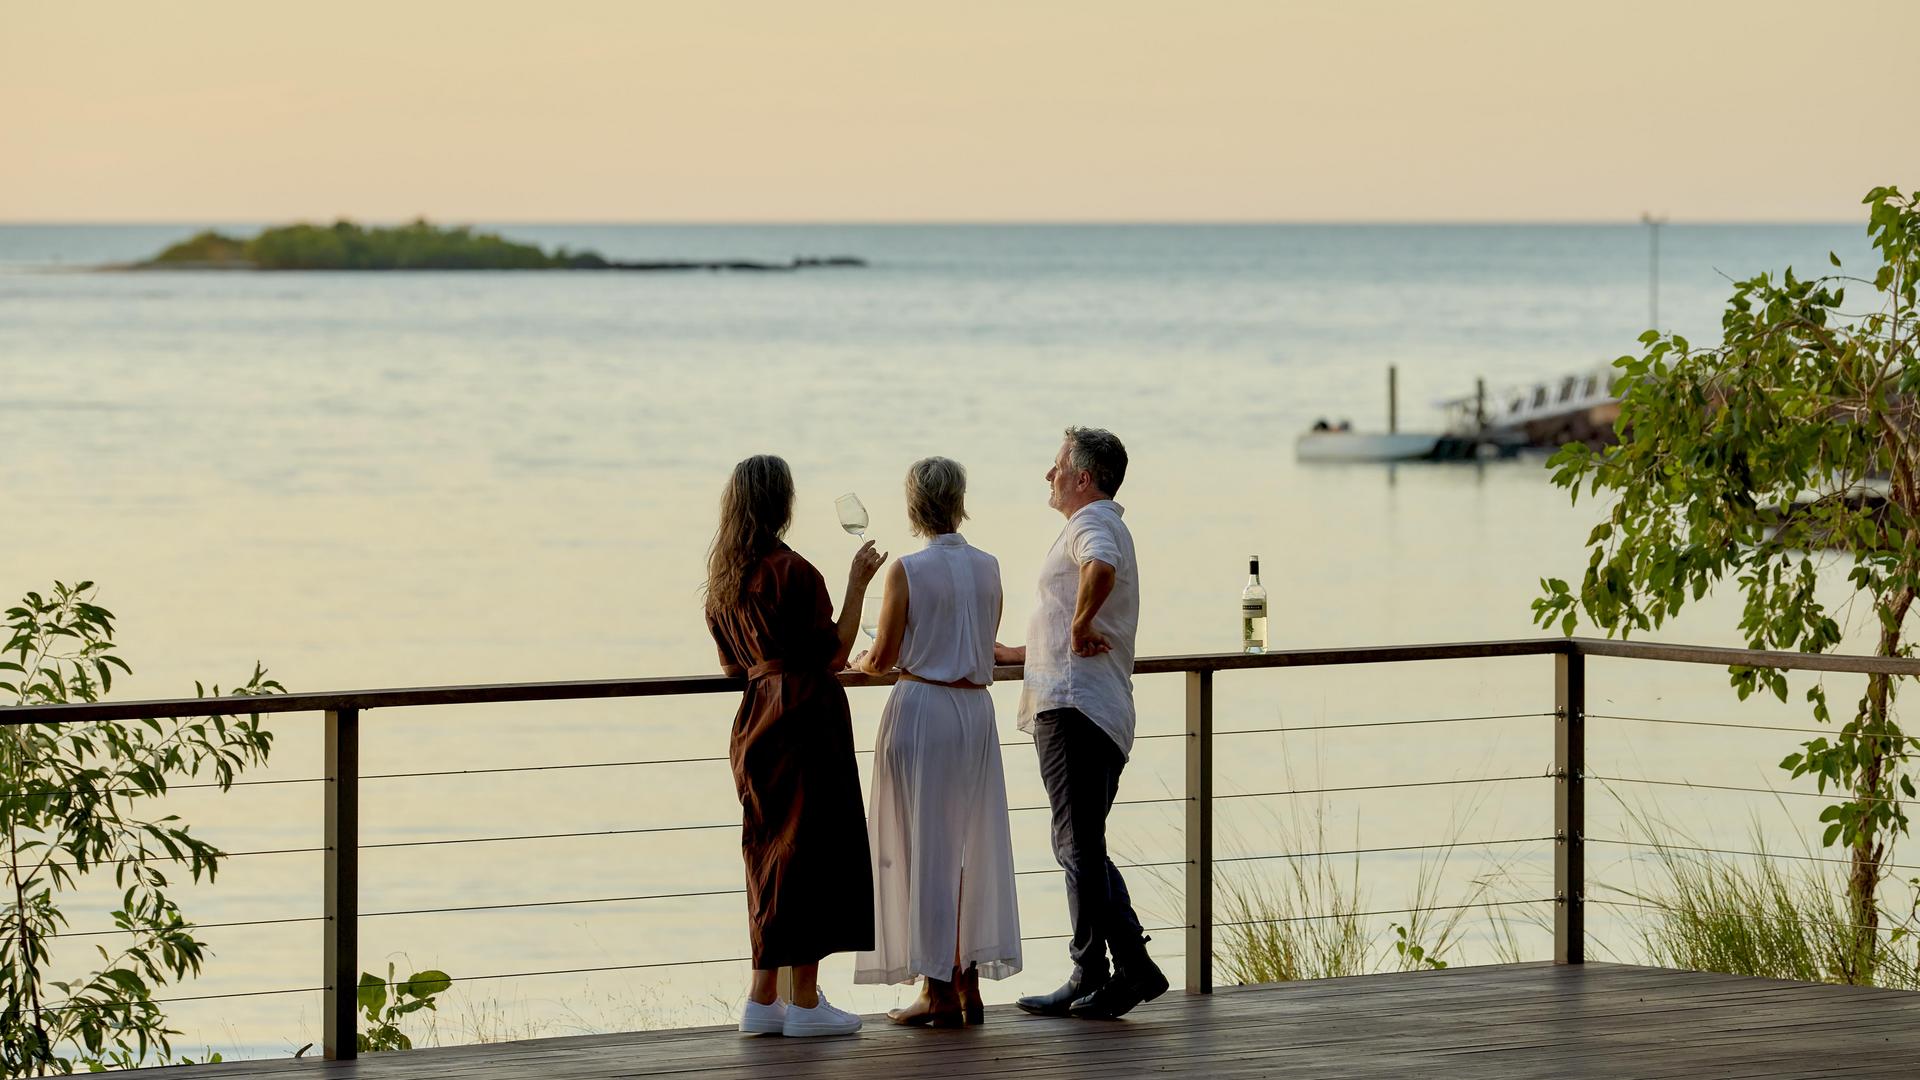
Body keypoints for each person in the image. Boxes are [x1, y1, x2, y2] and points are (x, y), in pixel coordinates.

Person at [704, 454, 884, 1038]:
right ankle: (804, 1001)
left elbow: (734, 668)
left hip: (755, 721)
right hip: (807, 716)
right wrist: (858, 584)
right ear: (782, 503)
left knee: (769, 851)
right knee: (814, 850)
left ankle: (763, 998)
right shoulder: (794, 571)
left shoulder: (723, 582)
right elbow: (834, 652)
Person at [997, 427, 1168, 1020]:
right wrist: (1023, 652)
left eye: (1057, 466)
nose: (1049, 475)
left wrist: (1077, 626)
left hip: (1077, 709)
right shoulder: (1096, 523)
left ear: (1084, 478)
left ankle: (1108, 969)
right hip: (1085, 702)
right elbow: (1081, 598)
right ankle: (1107, 968)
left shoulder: (1092, 524)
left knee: (1077, 844)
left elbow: (1100, 568)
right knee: (1080, 843)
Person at [853, 457, 1022, 1027]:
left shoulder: (907, 570)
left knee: (925, 845)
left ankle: (937, 989)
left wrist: (861, 659)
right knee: (968, 844)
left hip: (924, 709)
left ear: (914, 506)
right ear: (959, 502)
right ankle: (966, 982)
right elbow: (985, 640)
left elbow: (882, 658)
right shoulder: (989, 567)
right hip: (976, 711)